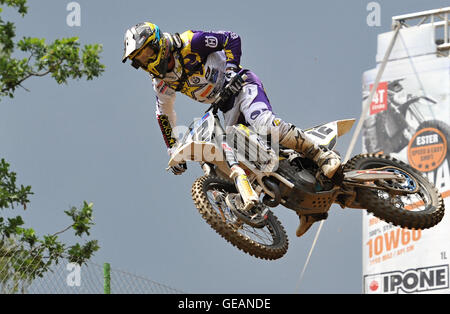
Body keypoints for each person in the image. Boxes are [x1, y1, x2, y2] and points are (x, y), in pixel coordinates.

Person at [122, 22, 341, 236]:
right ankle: (304, 206)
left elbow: (231, 38)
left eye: (146, 53)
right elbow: (164, 114)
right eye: (139, 59)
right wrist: (173, 150)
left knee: (264, 123)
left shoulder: (191, 43)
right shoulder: (161, 82)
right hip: (224, 107)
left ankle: (321, 155)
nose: (145, 61)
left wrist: (230, 72)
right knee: (232, 161)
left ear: (158, 43)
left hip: (241, 85)